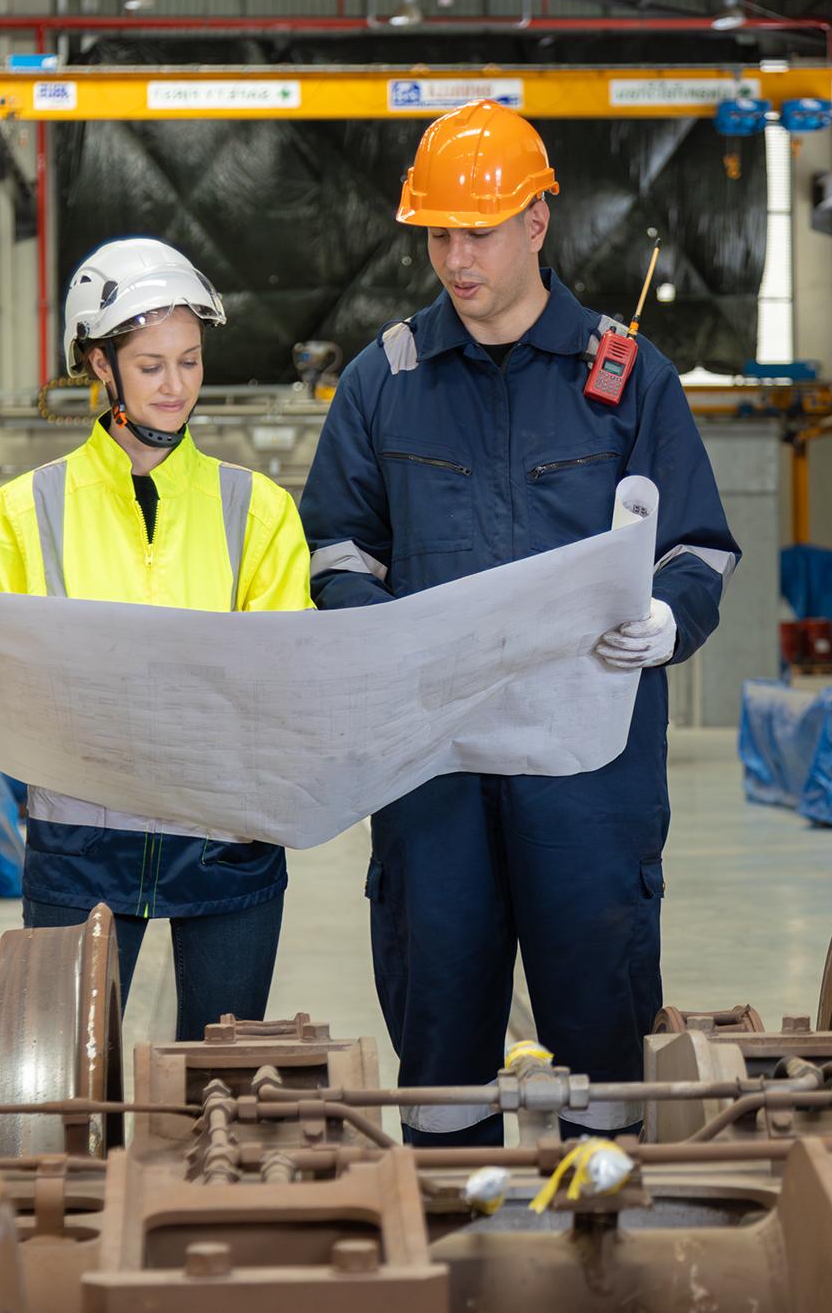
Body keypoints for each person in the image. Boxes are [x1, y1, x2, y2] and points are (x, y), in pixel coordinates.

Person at [298, 101, 740, 1145]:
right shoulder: (383, 383)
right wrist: (376, 632)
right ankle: (447, 1222)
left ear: (535, 224)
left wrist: (668, 624)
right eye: (437, 234)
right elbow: (337, 547)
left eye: (477, 233)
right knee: (439, 1003)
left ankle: (604, 1234)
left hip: (588, 759)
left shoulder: (626, 381)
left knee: (598, 998)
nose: (454, 259)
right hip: (432, 757)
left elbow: (697, 546)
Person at [0, 237, 312, 1041]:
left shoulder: (260, 511)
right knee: (65, 1094)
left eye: (190, 360)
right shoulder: (27, 507)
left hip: (227, 843)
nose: (176, 386)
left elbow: (292, 674)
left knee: (221, 1087)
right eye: (151, 365)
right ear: (100, 366)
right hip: (81, 844)